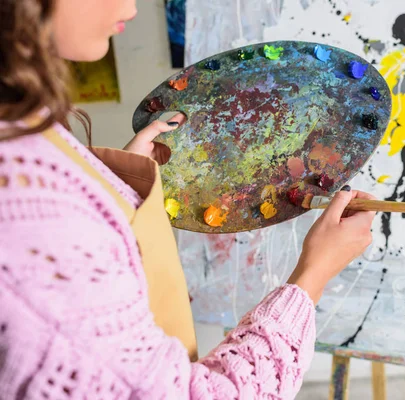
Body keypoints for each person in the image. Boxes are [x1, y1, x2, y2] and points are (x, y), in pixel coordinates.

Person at [0, 0, 377, 398]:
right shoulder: (23, 203)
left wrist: (114, 185)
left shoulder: (19, 132)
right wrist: (313, 275)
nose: (131, 7)